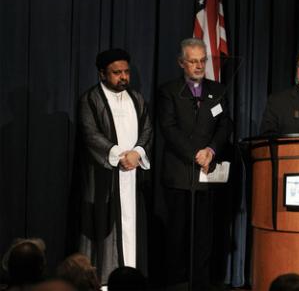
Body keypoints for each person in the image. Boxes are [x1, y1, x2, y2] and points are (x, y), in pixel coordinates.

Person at [158, 38, 232, 290]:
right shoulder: (168, 91)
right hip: (180, 174)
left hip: (207, 174)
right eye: (193, 61)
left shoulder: (218, 90)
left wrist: (211, 151)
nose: (199, 66)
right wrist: (196, 154)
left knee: (204, 236)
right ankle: (175, 283)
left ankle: (200, 284)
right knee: (177, 234)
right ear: (181, 63)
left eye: (203, 60)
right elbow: (169, 128)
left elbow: (224, 126)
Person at [77, 48, 153, 284]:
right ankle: (104, 282)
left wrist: (138, 152)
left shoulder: (137, 99)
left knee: (131, 229)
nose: (123, 77)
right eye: (116, 72)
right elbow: (91, 135)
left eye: (126, 72)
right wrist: (120, 155)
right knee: (104, 231)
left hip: (132, 177)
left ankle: (131, 280)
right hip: (105, 176)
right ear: (102, 74)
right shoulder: (90, 99)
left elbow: (147, 130)